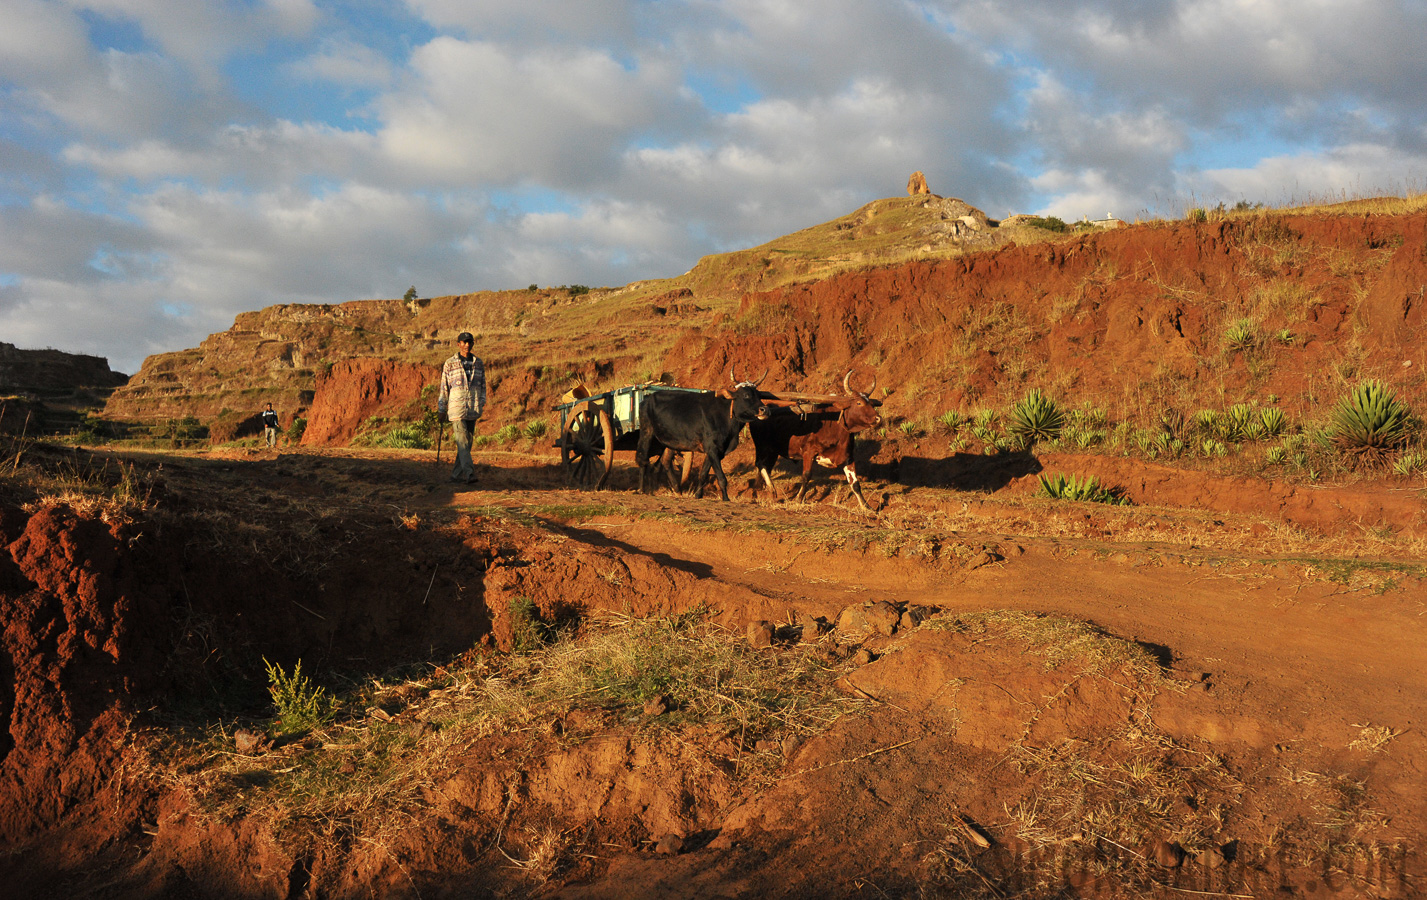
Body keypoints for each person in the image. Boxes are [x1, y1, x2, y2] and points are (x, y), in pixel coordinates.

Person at [437, 331, 486, 483]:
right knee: (463, 441)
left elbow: (483, 385)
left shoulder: (478, 363)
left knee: (467, 443)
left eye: (469, 342)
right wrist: (441, 408)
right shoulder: (449, 363)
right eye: (464, 342)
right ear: (458, 344)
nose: (467, 345)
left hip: (473, 407)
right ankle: (470, 474)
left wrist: (481, 402)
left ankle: (455, 475)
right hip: (456, 408)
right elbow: (444, 387)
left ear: (472, 344)